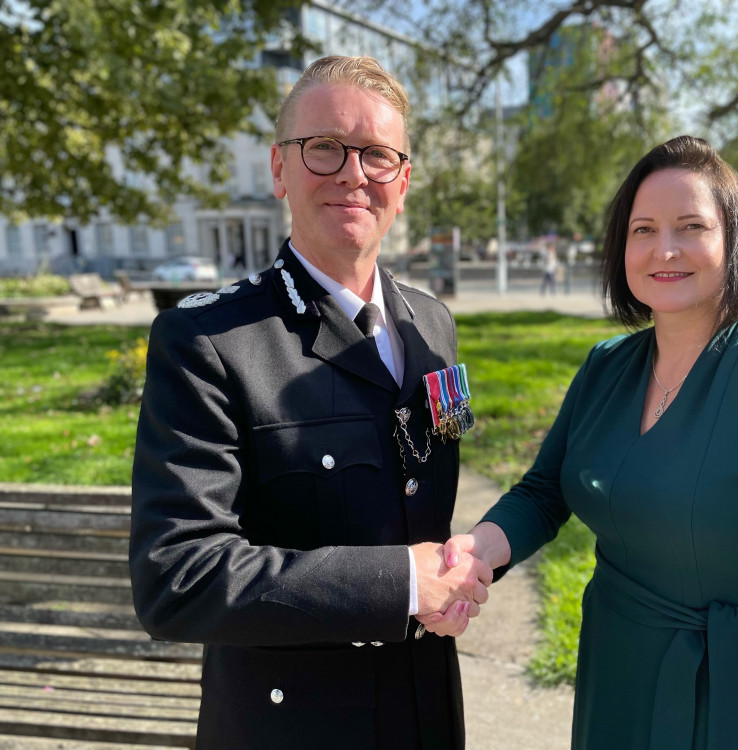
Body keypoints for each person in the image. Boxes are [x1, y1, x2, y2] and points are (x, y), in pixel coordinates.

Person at [427, 136, 738, 749]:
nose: (663, 249)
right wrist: (476, 550)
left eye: (690, 225)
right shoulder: (606, 367)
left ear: (734, 241)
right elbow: (543, 492)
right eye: (642, 229)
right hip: (616, 678)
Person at [129, 55, 490, 749]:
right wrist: (399, 585)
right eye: (324, 148)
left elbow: (433, 465)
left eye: (379, 155)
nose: (354, 173)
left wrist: (457, 568)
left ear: (403, 182)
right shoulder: (207, 341)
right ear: (279, 169)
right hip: (291, 725)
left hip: (427, 710)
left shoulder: (434, 325)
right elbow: (176, 577)